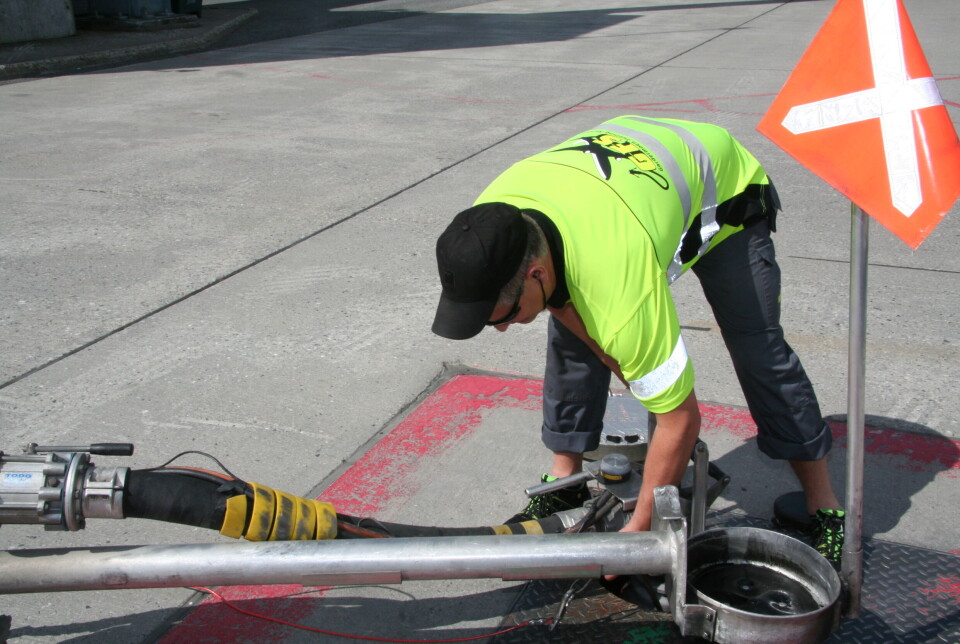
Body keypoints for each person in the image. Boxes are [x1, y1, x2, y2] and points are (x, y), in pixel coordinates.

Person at [431, 115, 845, 567]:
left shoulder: (617, 284)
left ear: (536, 272)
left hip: (725, 192)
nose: (505, 329)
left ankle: (823, 510)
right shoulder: (488, 225)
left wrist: (639, 534)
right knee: (570, 339)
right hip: (626, 190)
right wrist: (618, 361)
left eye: (504, 317)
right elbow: (566, 303)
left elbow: (681, 420)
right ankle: (562, 483)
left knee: (757, 348)